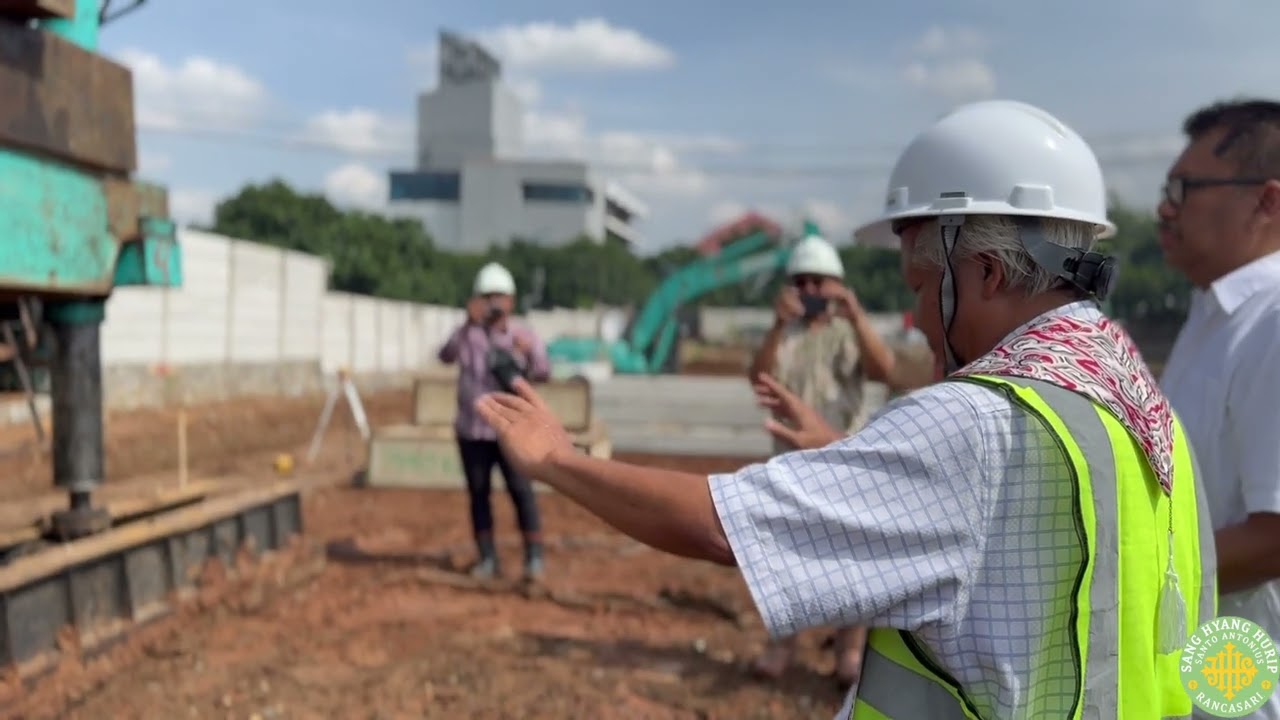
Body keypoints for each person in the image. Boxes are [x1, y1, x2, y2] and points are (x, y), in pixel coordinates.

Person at [473, 100, 1218, 718]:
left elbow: (715, 527)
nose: (920, 318)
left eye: (924, 289)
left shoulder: (977, 422)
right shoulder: (1138, 406)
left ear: (986, 272)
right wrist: (846, 449)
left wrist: (558, 460)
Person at [1157, 98, 1280, 719]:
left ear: (1267, 201)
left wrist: (1118, 566)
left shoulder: (1275, 320)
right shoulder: (1213, 316)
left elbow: (1276, 536)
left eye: (1185, 188)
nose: (1164, 207)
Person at [746, 230, 896, 688]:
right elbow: (758, 377)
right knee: (785, 558)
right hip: (791, 462)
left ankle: (849, 650)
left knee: (854, 561)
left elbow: (884, 371)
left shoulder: (848, 333)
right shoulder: (783, 334)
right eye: (802, 282)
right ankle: (783, 644)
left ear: (836, 285)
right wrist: (776, 326)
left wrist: (854, 314)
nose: (810, 292)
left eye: (819, 282)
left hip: (844, 459)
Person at [437, 261, 551, 581]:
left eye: (499, 297)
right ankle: (487, 558)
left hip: (510, 431)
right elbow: (444, 356)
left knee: (521, 490)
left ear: (511, 301)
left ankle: (534, 559)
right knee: (478, 493)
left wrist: (527, 354)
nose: (493, 304)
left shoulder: (522, 335)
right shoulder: (466, 335)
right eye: (487, 297)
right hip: (472, 431)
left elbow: (543, 371)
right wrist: (464, 324)